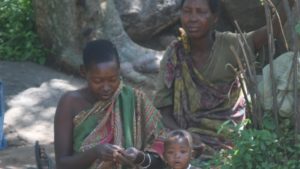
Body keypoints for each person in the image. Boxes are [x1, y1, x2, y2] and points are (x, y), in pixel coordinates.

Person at [154, 0, 294, 158]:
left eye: (200, 12)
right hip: (183, 141)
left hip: (225, 141)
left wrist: (289, 4)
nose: (192, 18)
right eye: (187, 11)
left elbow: (269, 32)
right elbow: (164, 111)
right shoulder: (174, 54)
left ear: (215, 18)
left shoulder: (229, 44)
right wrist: (185, 137)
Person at [54, 39, 165, 169]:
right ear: (83, 72)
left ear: (119, 71)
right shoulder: (70, 103)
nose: (106, 87)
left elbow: (162, 151)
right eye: (98, 80)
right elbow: (62, 164)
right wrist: (95, 152)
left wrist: (140, 157)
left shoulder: (134, 99)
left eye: (113, 79)